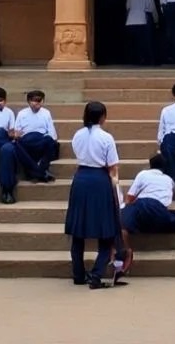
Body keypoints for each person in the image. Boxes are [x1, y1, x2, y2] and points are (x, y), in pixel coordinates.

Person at [65, 101, 121, 289]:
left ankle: (78, 274)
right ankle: (96, 274)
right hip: (99, 179)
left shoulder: (78, 135)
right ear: (102, 116)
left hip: (81, 178)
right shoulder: (106, 137)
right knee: (107, 229)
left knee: (78, 230)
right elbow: (112, 167)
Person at [115, 152, 175, 281]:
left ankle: (126, 250)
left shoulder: (143, 174)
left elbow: (130, 197)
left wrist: (126, 208)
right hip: (160, 212)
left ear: (150, 165)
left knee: (122, 224)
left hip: (142, 205)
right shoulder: (169, 180)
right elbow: (172, 196)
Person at [13, 90, 60, 183]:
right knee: (16, 145)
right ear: (29, 102)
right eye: (34, 100)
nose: (37, 103)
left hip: (41, 139)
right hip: (26, 140)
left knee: (51, 142)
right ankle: (41, 173)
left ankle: (37, 172)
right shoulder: (22, 113)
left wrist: (51, 139)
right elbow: (17, 131)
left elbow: (51, 131)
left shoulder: (46, 113)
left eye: (40, 100)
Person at [125, 0, 157, 66]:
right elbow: (152, 8)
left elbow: (127, 8)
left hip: (131, 21)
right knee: (145, 41)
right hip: (142, 20)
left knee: (133, 42)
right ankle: (146, 60)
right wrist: (156, 21)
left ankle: (133, 60)